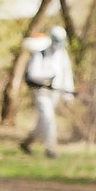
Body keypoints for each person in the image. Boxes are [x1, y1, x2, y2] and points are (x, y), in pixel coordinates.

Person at [20, 25, 76, 158]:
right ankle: (51, 149)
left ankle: (27, 142)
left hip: (55, 93)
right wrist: (47, 76)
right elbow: (33, 73)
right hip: (41, 92)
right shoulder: (41, 53)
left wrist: (69, 94)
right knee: (48, 118)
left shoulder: (63, 54)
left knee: (43, 120)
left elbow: (67, 74)